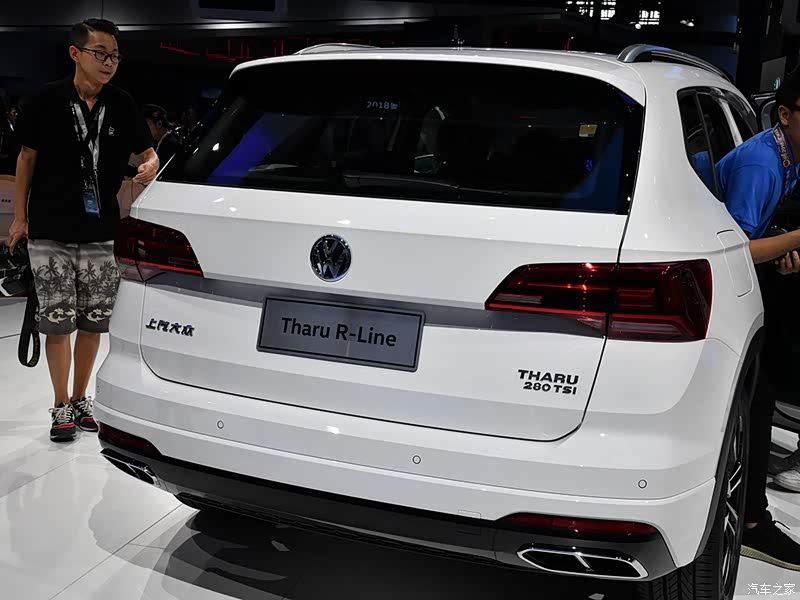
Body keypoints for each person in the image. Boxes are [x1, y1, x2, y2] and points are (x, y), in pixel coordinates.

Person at [7, 18, 158, 442]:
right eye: (100, 53)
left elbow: (148, 152)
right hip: (49, 228)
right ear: (75, 53)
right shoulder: (45, 100)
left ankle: (79, 397)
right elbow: (26, 159)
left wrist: (150, 164)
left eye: (115, 56)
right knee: (56, 321)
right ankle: (60, 405)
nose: (109, 63)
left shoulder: (122, 104)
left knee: (94, 322)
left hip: (101, 231)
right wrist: (19, 218)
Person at [717, 71, 800, 569]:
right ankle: (750, 521)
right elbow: (736, 251)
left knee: (762, 394)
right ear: (785, 115)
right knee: (756, 396)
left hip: (741, 283)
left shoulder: (789, 155)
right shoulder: (761, 164)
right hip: (713, 284)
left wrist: (785, 249)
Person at [0, 105, 20, 174]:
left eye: (16, 112)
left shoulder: (15, 123)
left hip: (12, 154)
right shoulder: (3, 125)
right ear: (8, 113)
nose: (16, 114)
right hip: (5, 154)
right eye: (14, 112)